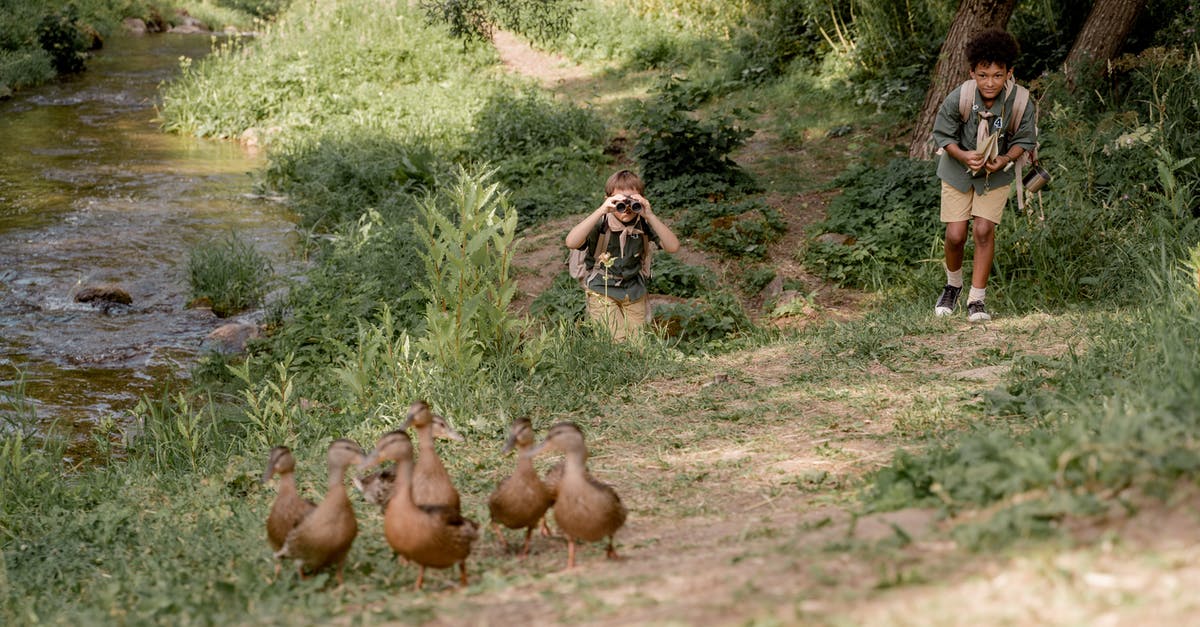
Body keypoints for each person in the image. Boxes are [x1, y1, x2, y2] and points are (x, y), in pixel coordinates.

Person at [931, 29, 1036, 322]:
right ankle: (953, 286)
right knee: (955, 235)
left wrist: (1004, 158)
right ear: (972, 73)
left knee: (983, 231)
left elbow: (1024, 140)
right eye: (983, 75)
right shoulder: (961, 96)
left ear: (1009, 73)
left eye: (998, 75)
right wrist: (964, 155)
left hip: (995, 174)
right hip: (958, 169)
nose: (990, 82)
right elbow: (942, 135)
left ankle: (977, 299)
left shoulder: (1020, 101)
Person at [564, 169, 680, 340]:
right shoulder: (601, 224)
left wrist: (650, 215)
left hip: (634, 290)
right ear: (608, 200)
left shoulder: (643, 224)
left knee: (638, 344)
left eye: (632, 200)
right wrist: (602, 210)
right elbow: (571, 242)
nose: (626, 208)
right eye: (619, 201)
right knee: (615, 341)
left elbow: (673, 246)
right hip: (601, 289)